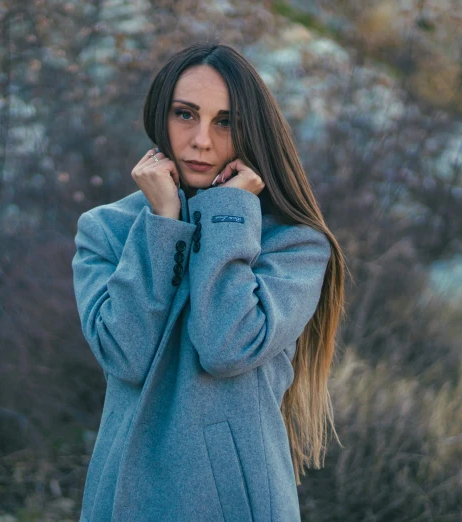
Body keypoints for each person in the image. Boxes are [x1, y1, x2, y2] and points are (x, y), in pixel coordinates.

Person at [72, 41, 346, 521]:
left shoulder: (295, 245)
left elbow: (227, 347)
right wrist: (163, 224)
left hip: (237, 506)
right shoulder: (106, 230)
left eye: (225, 121)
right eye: (185, 115)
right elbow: (125, 357)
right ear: (161, 115)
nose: (202, 140)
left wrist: (226, 217)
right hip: (121, 500)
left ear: (251, 131)